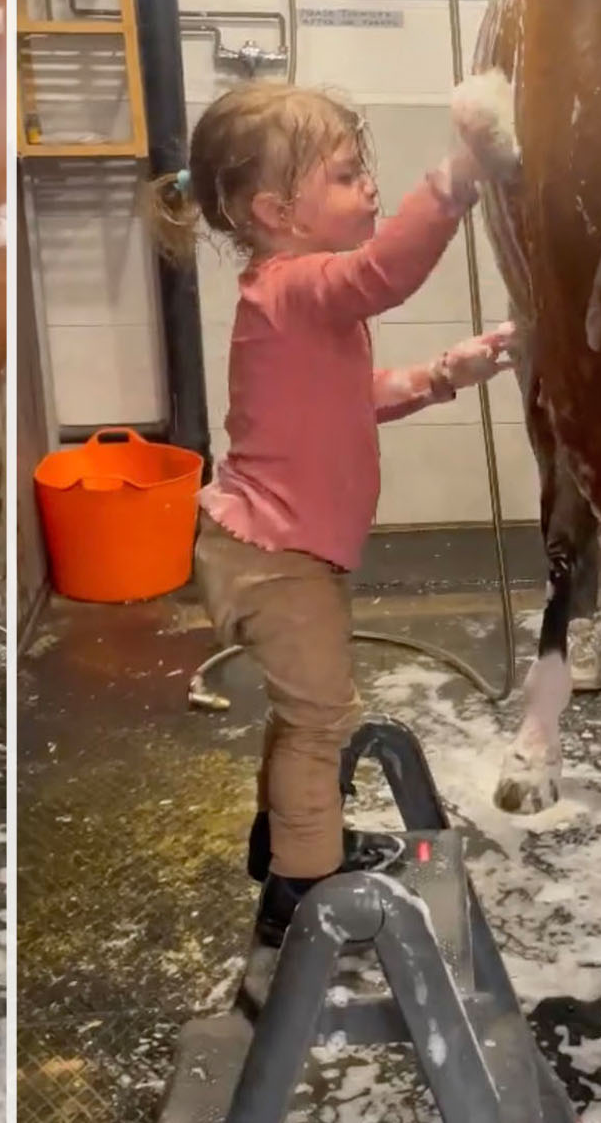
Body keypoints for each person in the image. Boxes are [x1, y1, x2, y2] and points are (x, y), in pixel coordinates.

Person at [151, 75, 521, 948]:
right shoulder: (296, 287)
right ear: (280, 211)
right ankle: (301, 891)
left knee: (301, 715)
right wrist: (458, 176)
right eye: (351, 176)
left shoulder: (290, 300)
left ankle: (286, 836)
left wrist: (442, 374)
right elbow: (385, 271)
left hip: (277, 548)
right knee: (322, 717)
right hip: (277, 556)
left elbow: (352, 396)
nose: (371, 190)